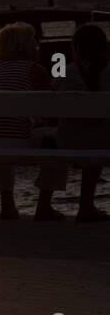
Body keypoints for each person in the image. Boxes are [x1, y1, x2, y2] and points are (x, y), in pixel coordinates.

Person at [0, 21, 67, 221]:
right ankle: (44, 206)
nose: (37, 46)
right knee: (57, 140)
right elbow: (52, 110)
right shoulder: (34, 70)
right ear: (26, 46)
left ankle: (7, 205)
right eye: (34, 42)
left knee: (3, 133)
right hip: (11, 139)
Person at [57, 23, 110, 223]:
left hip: (67, 141)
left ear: (75, 49)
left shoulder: (64, 68)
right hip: (105, 142)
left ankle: (43, 205)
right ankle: (86, 206)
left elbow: (52, 90)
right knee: (94, 139)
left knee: (48, 139)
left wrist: (62, 62)